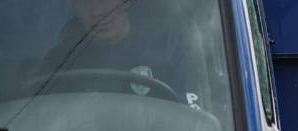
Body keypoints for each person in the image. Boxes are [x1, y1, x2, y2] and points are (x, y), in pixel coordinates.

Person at [39, 0, 213, 111]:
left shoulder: (172, 45)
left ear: (127, 2)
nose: (97, 10)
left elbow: (195, 127)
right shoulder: (59, 64)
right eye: (84, 1)